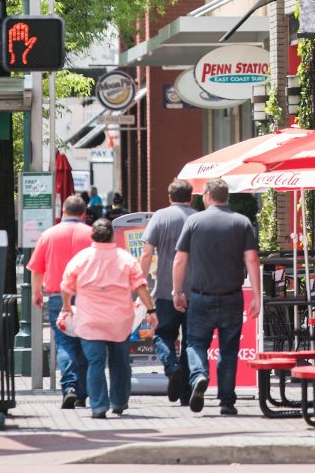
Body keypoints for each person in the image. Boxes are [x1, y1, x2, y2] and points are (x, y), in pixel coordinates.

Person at [172, 178, 261, 416]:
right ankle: (227, 401)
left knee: (195, 343)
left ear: (209, 196)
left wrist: (177, 291)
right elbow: (252, 260)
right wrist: (257, 296)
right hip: (232, 296)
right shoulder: (242, 222)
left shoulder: (193, 221)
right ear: (227, 197)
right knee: (229, 350)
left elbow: (180, 260)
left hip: (200, 297)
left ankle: (200, 375)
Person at [60, 217, 158, 419]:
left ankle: (98, 406)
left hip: (90, 321)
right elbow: (140, 286)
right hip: (119, 320)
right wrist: (151, 310)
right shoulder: (126, 259)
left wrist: (67, 305)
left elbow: (66, 287)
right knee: (120, 361)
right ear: (112, 235)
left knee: (95, 363)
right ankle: (119, 401)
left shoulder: (81, 258)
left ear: (92, 236)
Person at [27, 194, 93, 409]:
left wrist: (36, 293)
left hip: (57, 296)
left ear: (63, 211)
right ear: (83, 213)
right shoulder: (91, 234)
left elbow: (37, 269)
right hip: (87, 297)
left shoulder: (49, 235)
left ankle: (69, 387)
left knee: (64, 343)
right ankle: (83, 393)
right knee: (86, 342)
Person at [140, 179, 194, 406]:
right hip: (195, 290)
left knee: (162, 334)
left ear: (169, 196)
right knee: (192, 341)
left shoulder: (159, 217)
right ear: (191, 197)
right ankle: (186, 394)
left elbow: (146, 252)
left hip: (164, 289)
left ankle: (172, 368)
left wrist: (140, 282)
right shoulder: (197, 217)